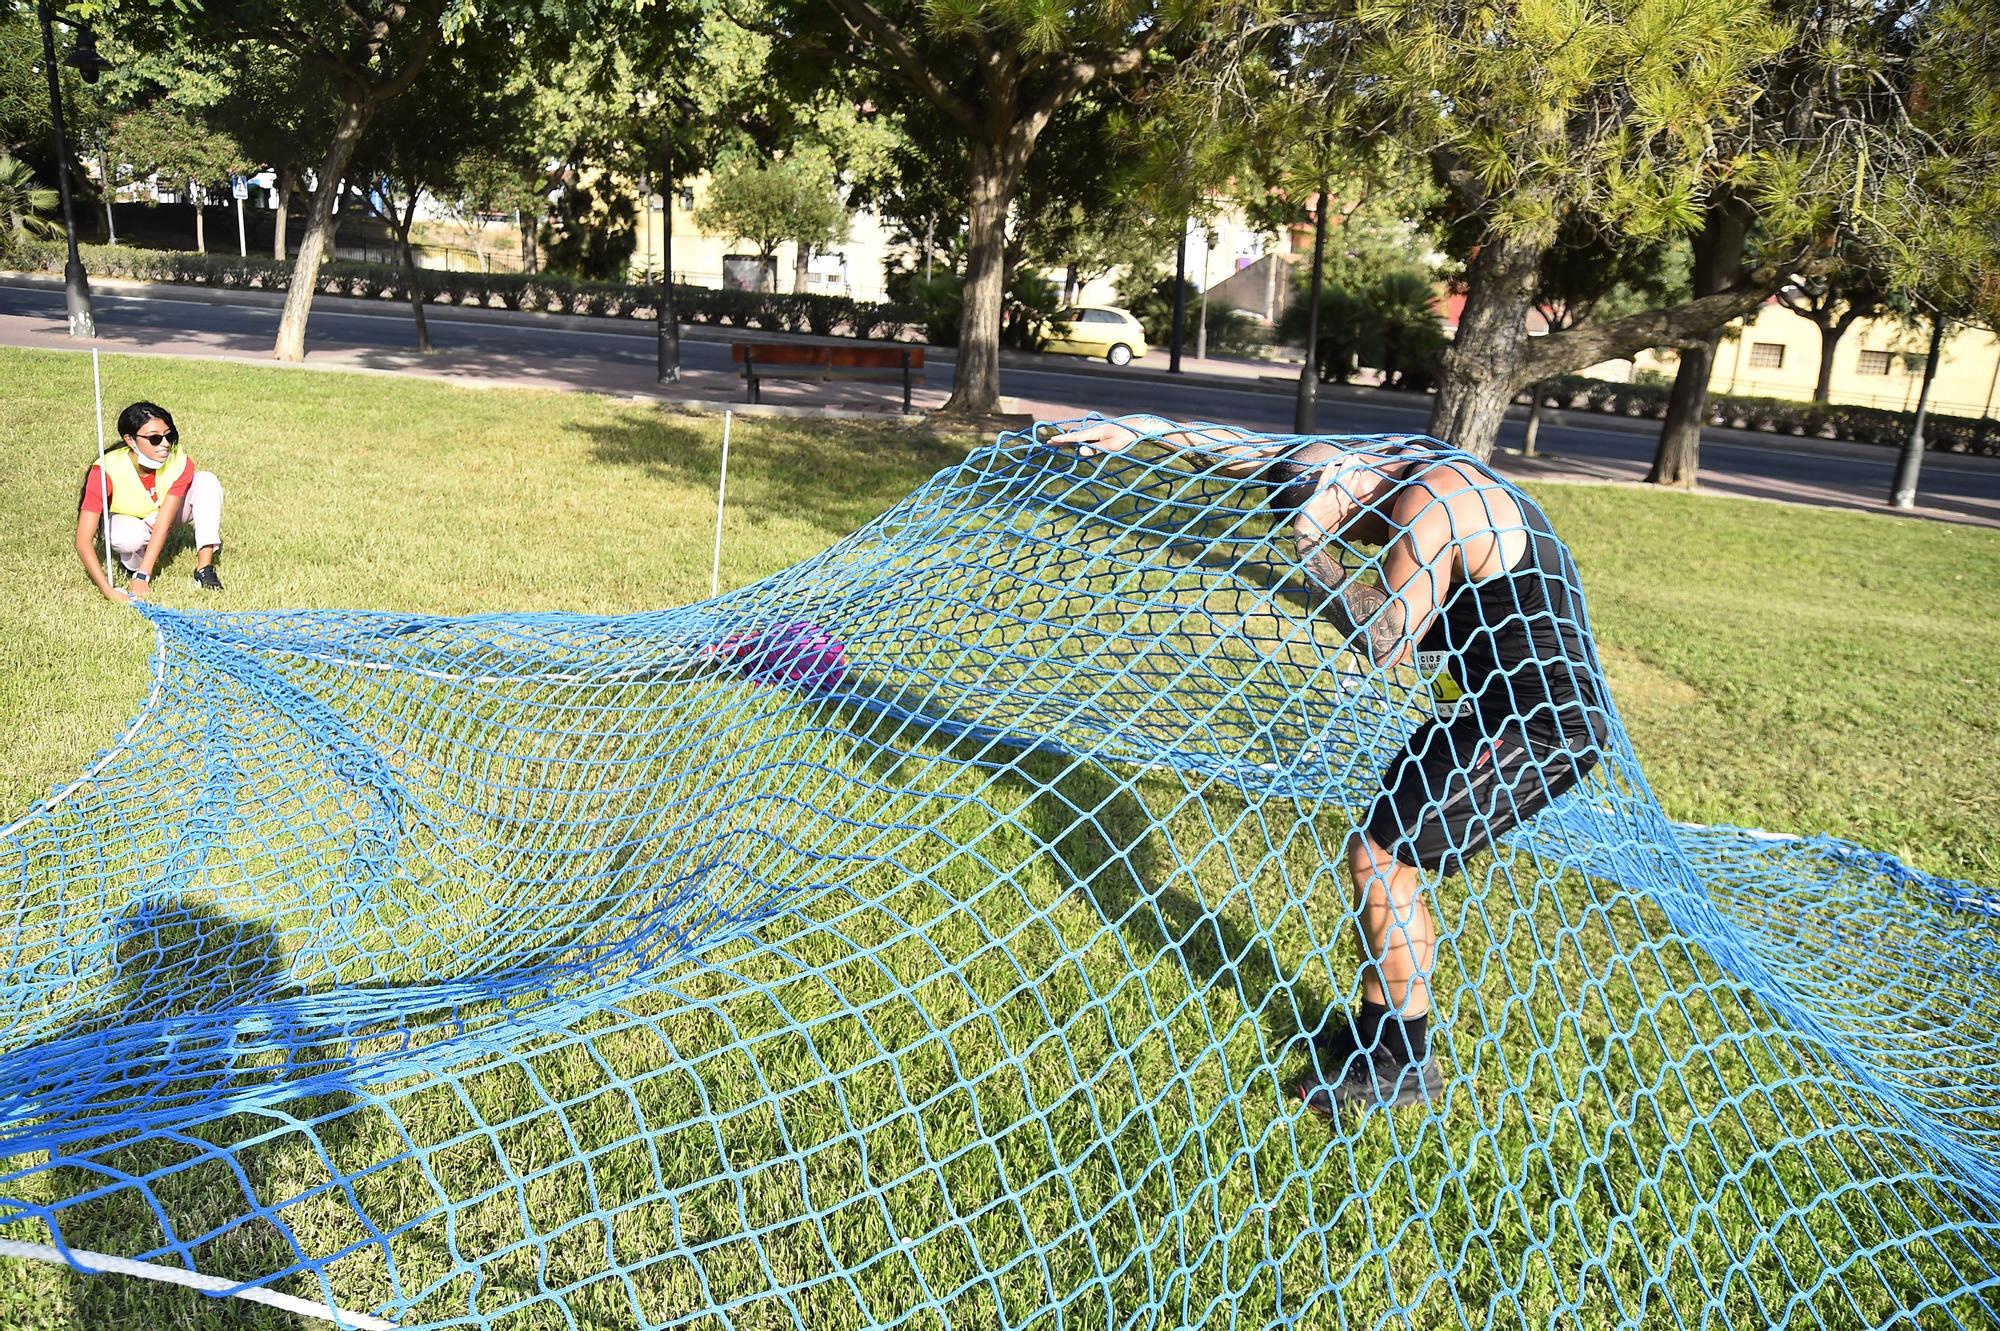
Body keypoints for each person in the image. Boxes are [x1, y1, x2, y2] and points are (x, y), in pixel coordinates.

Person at [1046, 414, 1611, 1114]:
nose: (1364, 542)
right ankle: (1381, 1035)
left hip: (1540, 726)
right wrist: (1136, 430)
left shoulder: (1431, 498)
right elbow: (1249, 451)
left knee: (1382, 862)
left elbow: (1388, 637)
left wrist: (1313, 549)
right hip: (1480, 712)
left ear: (1344, 491)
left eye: (1355, 530)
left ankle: (1403, 1064)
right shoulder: (1382, 464)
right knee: (1380, 860)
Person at [75, 402, 225, 600]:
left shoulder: (179, 461)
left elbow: (164, 522)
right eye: (155, 438)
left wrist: (144, 575)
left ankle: (204, 569)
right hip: (128, 521)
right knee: (127, 537)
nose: (165, 444)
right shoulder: (104, 470)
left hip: (163, 516)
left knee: (207, 481)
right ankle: (132, 565)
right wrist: (107, 590)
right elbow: (83, 541)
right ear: (129, 440)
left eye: (168, 436)